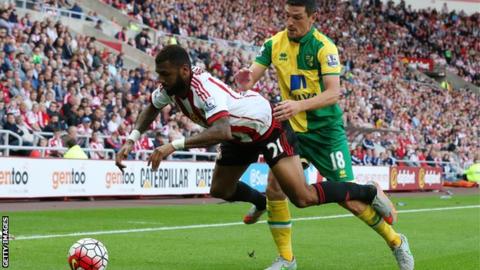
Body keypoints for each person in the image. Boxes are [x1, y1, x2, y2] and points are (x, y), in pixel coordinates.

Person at [115, 45, 396, 267]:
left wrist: (170, 146)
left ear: (185, 71)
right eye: (159, 74)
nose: (160, 81)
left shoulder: (202, 88)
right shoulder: (172, 87)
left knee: (303, 198)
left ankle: (367, 191)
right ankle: (259, 201)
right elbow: (151, 107)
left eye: (165, 74)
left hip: (267, 127)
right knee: (220, 189)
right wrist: (132, 139)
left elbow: (222, 130)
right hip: (240, 136)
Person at [234, 1, 414, 269]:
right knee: (274, 186)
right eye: (287, 17)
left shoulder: (324, 47)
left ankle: (396, 241)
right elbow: (251, 77)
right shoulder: (273, 44)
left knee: (350, 202)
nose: (290, 23)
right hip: (294, 131)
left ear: (312, 18)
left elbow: (333, 93)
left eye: (297, 17)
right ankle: (286, 259)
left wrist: (297, 105)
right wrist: (245, 82)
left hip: (326, 134)